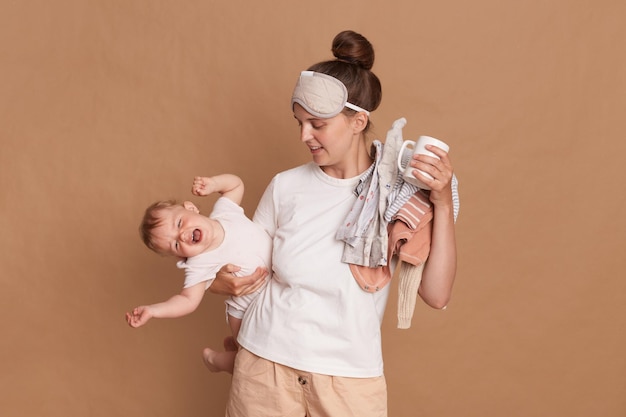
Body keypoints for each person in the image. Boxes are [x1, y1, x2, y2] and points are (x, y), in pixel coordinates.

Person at [212, 30, 458, 417]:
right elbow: (242, 268)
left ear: (358, 121)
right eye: (299, 122)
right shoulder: (285, 187)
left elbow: (436, 294)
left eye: (317, 124)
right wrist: (218, 281)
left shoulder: (399, 193)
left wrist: (441, 202)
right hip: (264, 366)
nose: (303, 135)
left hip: (349, 380)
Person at [125, 174, 270, 373]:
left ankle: (230, 353)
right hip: (245, 313)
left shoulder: (225, 212)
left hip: (272, 295)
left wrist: (213, 184)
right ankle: (216, 360)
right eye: (176, 244)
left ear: (191, 208)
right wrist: (153, 311)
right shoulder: (199, 263)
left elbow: (236, 185)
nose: (183, 235)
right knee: (253, 363)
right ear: (179, 257)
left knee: (258, 358)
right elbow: (187, 300)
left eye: (179, 224)